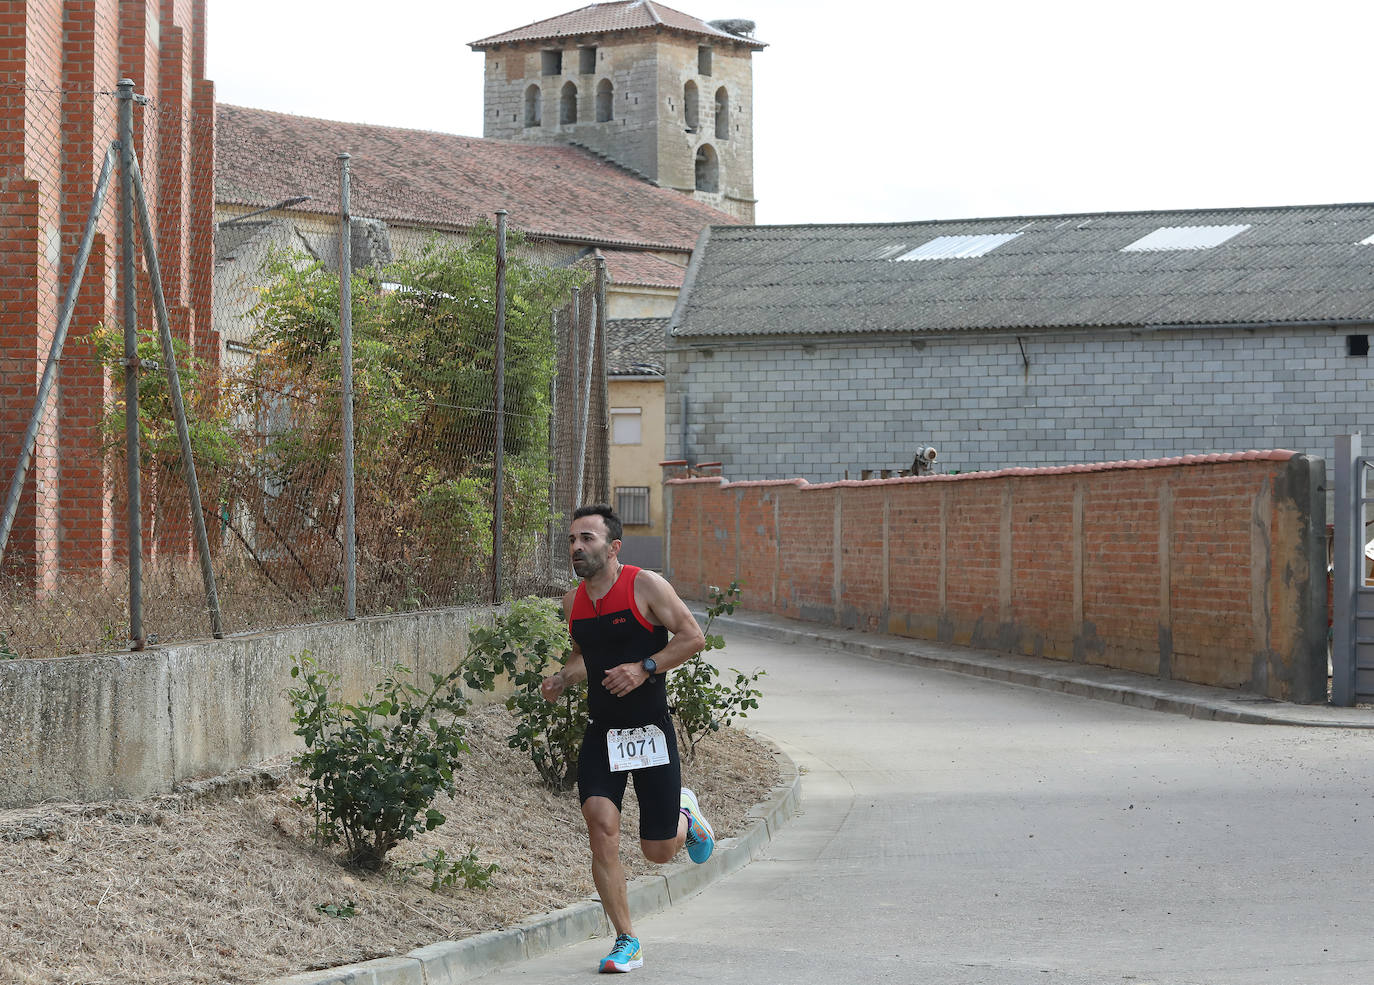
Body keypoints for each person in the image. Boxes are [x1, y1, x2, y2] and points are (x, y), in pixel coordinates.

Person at [541, 503, 715, 974]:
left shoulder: (645, 585)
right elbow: (586, 658)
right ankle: (627, 940)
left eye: (588, 538)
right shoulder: (572, 602)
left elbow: (692, 636)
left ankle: (685, 813)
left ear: (614, 547)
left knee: (658, 852)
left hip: (650, 731)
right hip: (603, 732)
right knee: (600, 827)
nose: (577, 547)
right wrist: (561, 679)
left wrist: (645, 668)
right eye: (573, 539)